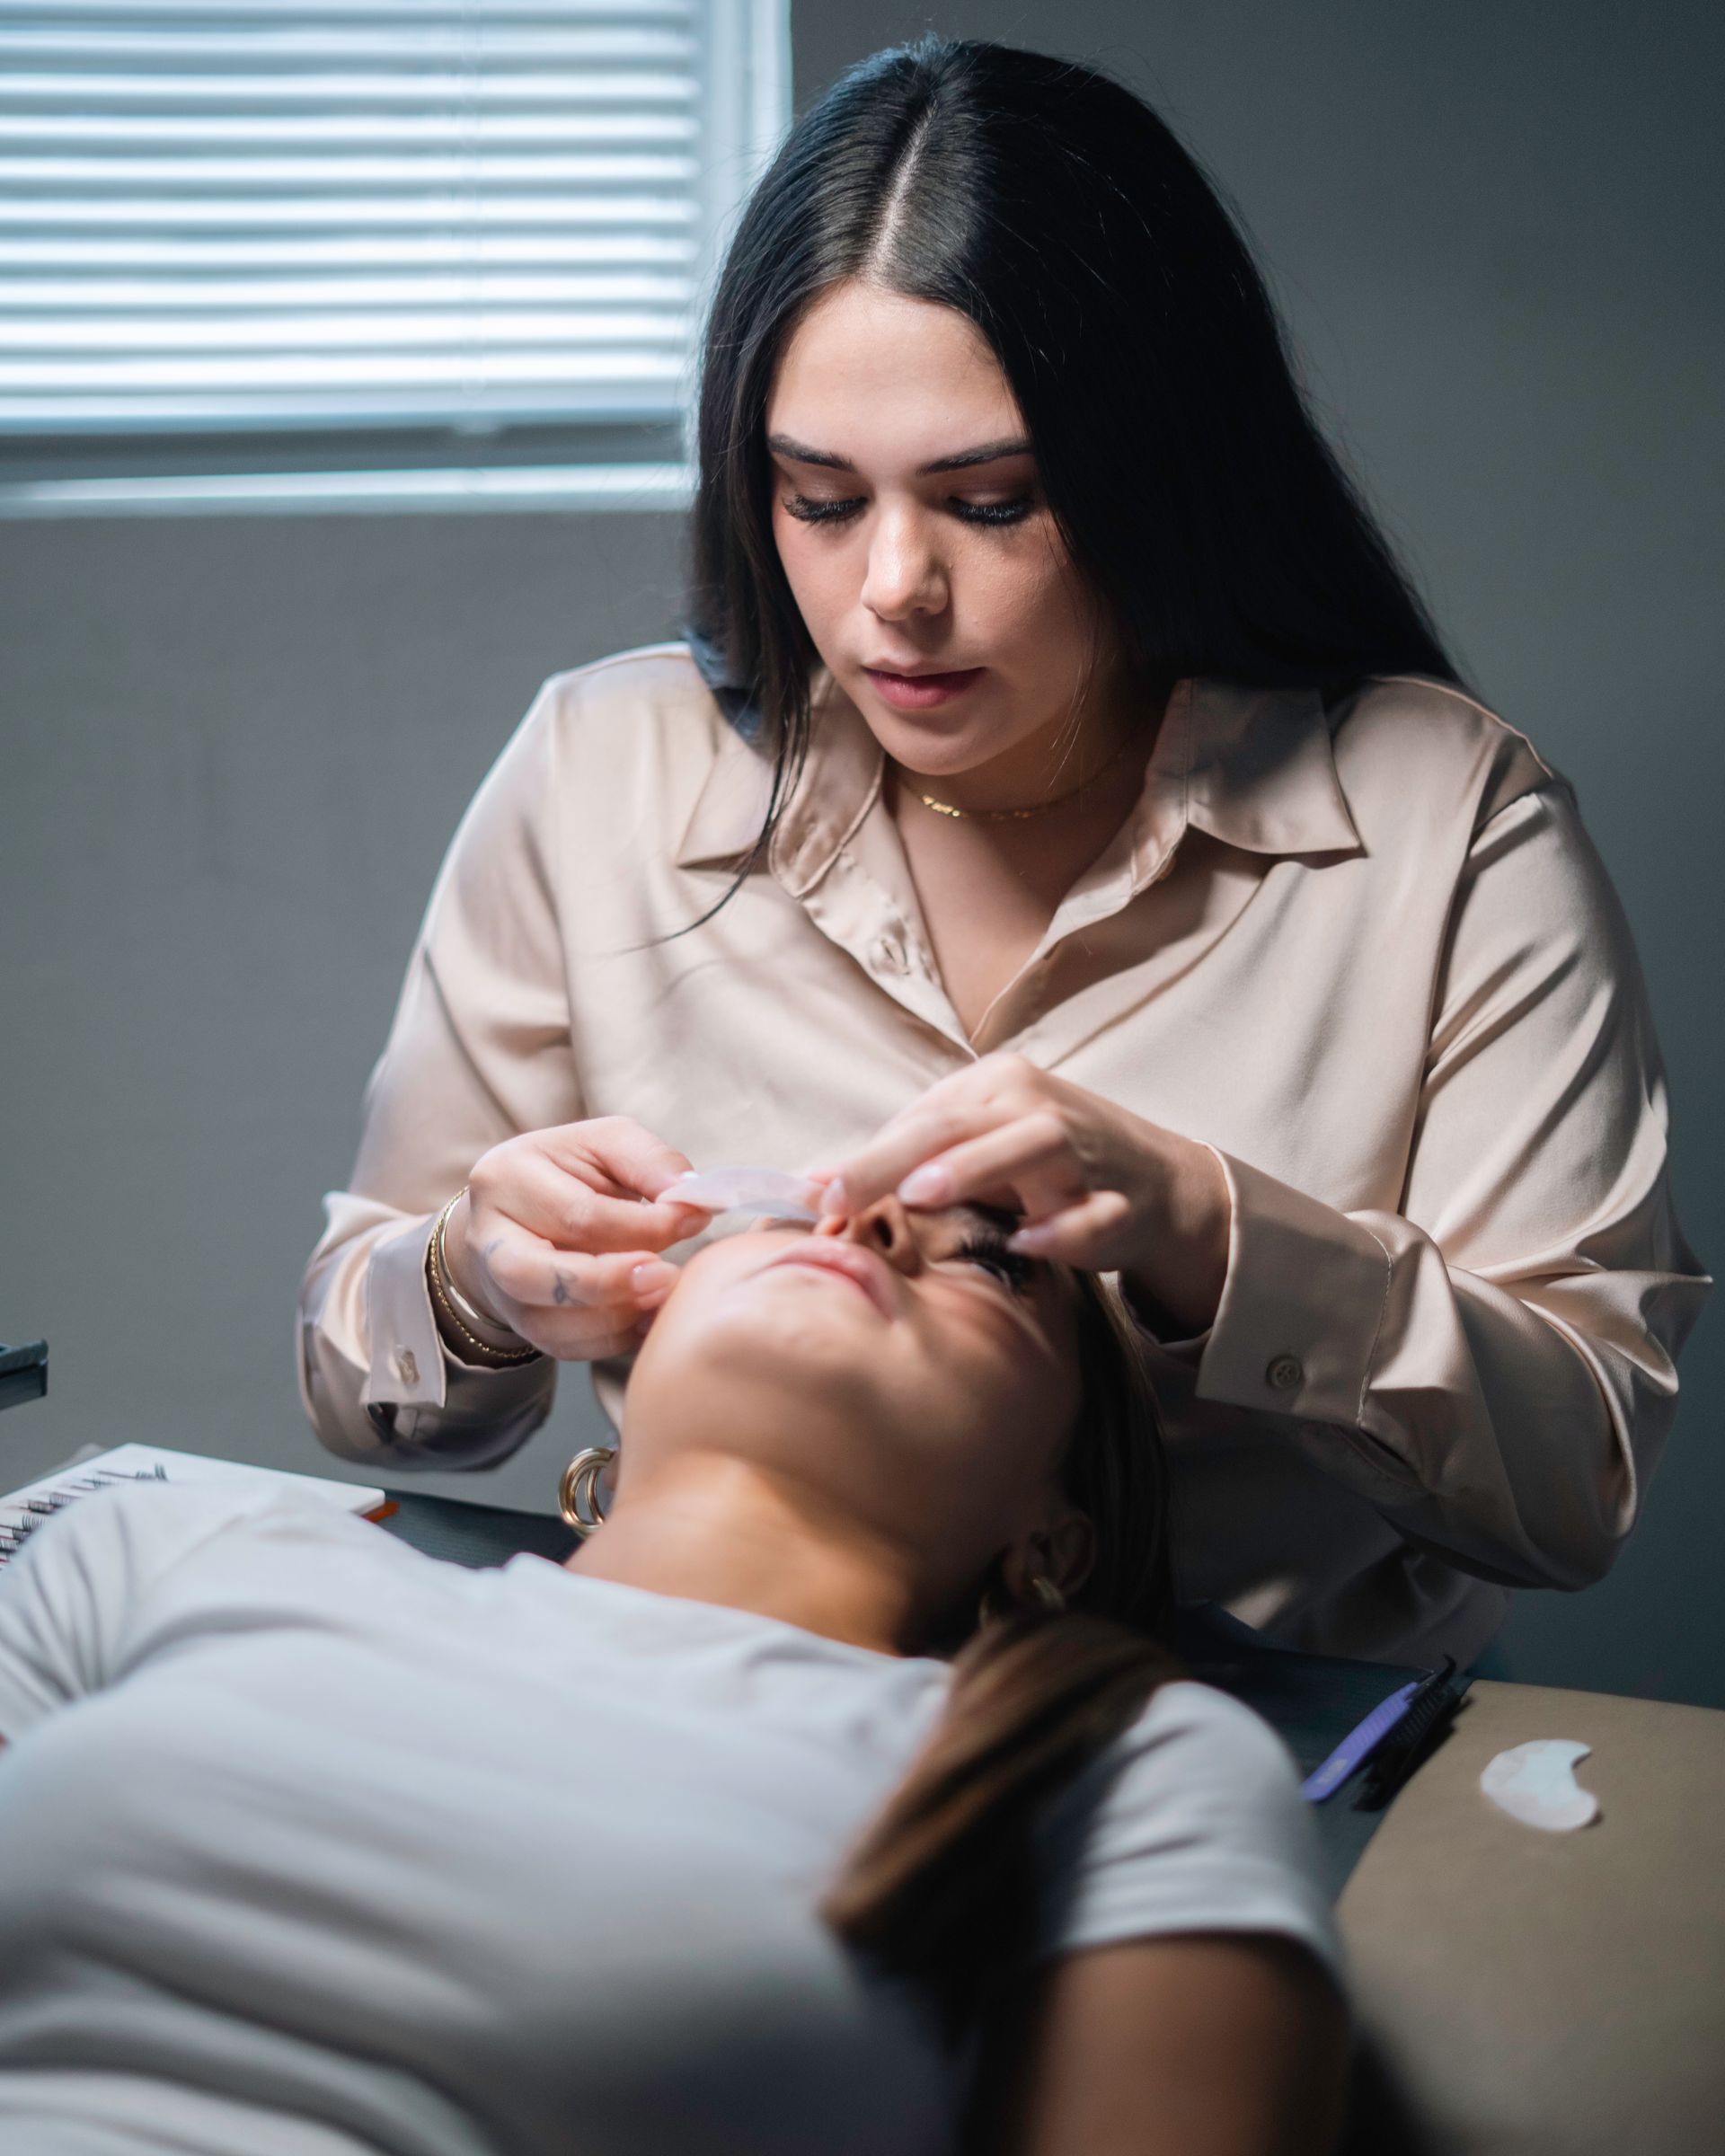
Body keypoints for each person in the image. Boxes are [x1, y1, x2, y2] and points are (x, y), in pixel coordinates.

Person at [298, 39, 1706, 1670]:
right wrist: (474, 1281)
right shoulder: (601, 771)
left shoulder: (1444, 822)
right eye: (819, 498)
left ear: (1162, 473)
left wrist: (1207, 1233)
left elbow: (1581, 1477)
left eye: (993, 501)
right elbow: (360, 1390)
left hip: (1269, 1738)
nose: (893, 586)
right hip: (684, 1692)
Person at [0, 1198, 1345, 2156]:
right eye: (801, 1209)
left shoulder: (1118, 1766)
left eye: (992, 1265)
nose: (864, 1227)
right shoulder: (171, 1549)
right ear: (629, 1366)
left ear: (1053, 1537)